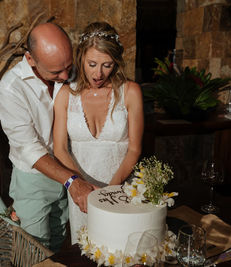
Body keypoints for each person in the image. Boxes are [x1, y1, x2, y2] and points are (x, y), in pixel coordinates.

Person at [0, 23, 95, 252]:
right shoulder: (10, 90)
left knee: (60, 243)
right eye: (56, 72)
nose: (66, 76)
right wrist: (71, 181)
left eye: (69, 67)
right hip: (33, 179)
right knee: (35, 250)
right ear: (30, 59)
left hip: (71, 168)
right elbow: (29, 149)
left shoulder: (69, 73)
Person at [53, 22, 144, 244]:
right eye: (92, 64)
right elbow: (60, 149)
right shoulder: (66, 95)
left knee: (122, 249)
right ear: (81, 57)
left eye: (107, 65)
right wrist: (84, 187)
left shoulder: (130, 92)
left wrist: (110, 192)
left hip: (121, 189)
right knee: (86, 250)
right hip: (82, 194)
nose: (98, 73)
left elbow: (134, 149)